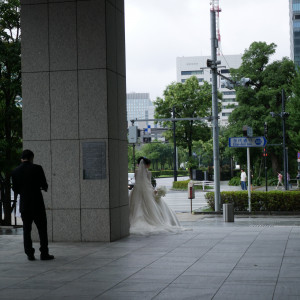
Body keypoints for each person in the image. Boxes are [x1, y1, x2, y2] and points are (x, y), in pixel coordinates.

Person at [12, 150, 54, 261]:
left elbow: (15, 189)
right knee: (42, 229)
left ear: (22, 159)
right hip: (37, 203)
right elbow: (44, 185)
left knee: (26, 229)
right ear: (31, 158)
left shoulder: (15, 171)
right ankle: (44, 253)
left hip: (25, 204)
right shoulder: (37, 168)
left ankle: (29, 253)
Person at [129, 157, 182, 235]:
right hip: (147, 191)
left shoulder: (136, 172)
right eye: (149, 164)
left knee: (135, 206)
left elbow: (138, 182)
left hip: (136, 191)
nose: (149, 165)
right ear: (146, 164)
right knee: (152, 206)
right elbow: (148, 183)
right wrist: (154, 190)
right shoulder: (148, 172)